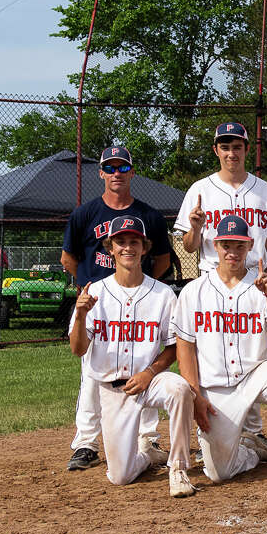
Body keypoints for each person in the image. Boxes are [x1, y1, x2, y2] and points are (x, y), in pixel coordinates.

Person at [174, 214, 267, 492]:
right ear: (215, 245)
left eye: (239, 245)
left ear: (249, 246)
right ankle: (251, 451)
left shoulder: (260, 285)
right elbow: (185, 347)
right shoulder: (194, 291)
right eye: (226, 245)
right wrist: (196, 394)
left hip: (256, 374)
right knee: (219, 473)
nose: (232, 252)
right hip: (215, 389)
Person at [62, 145, 174, 471]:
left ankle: (147, 439)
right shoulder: (84, 214)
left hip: (141, 297)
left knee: (145, 362)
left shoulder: (149, 216)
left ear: (131, 172)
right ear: (100, 173)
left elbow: (164, 259)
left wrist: (143, 287)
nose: (116, 174)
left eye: (122, 168)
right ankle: (86, 442)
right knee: (92, 373)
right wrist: (90, 286)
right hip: (99, 300)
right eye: (110, 168)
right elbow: (69, 258)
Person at [68, 215, 196, 498]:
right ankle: (147, 457)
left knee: (179, 389)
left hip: (148, 382)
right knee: (120, 476)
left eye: (134, 241)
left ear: (144, 247)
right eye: (121, 242)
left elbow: (174, 347)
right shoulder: (95, 293)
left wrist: (150, 373)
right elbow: (78, 349)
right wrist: (80, 315)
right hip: (112, 391)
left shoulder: (163, 294)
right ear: (110, 248)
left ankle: (178, 468)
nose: (128, 247)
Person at [174, 121, 267, 455]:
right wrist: (194, 228)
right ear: (216, 150)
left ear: (247, 150)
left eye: (237, 146)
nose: (231, 152)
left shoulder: (263, 190)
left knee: (252, 351)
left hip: (253, 277)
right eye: (225, 146)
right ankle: (221, 422)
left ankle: (253, 431)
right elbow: (190, 248)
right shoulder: (199, 189)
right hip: (213, 278)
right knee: (218, 356)